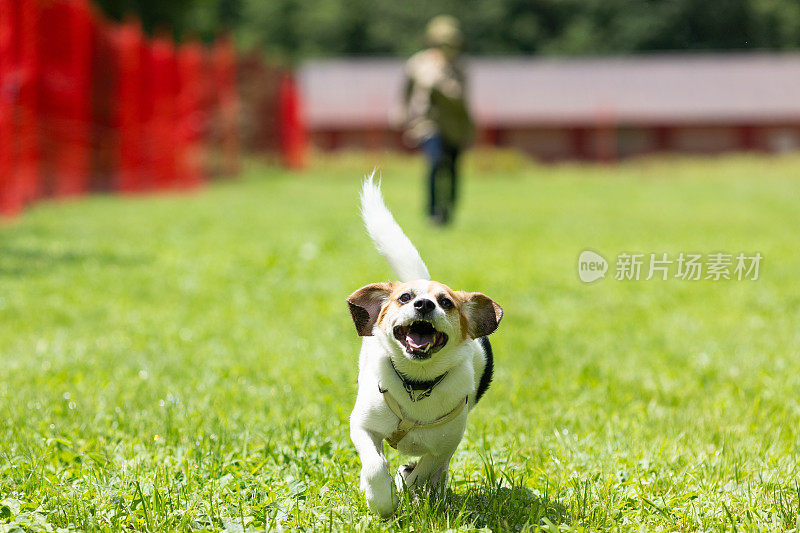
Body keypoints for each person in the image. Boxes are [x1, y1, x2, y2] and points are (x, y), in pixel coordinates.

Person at [401, 15, 473, 225]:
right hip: (428, 124)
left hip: (455, 126)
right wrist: (403, 117)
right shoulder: (418, 64)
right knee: (434, 164)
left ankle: (448, 210)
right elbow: (405, 94)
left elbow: (463, 100)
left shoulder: (460, 68)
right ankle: (432, 212)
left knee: (452, 169)